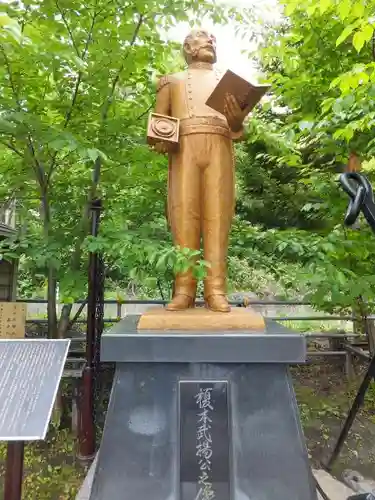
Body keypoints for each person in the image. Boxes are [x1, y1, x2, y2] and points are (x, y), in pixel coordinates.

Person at [152, 29, 251, 312]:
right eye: (201, 37)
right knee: (184, 215)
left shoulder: (229, 83)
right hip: (185, 149)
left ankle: (216, 290)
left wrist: (236, 122)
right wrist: (160, 141)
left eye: (212, 39)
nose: (210, 41)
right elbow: (161, 124)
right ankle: (183, 289)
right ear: (187, 47)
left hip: (219, 147)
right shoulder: (171, 81)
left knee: (218, 219)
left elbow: (240, 130)